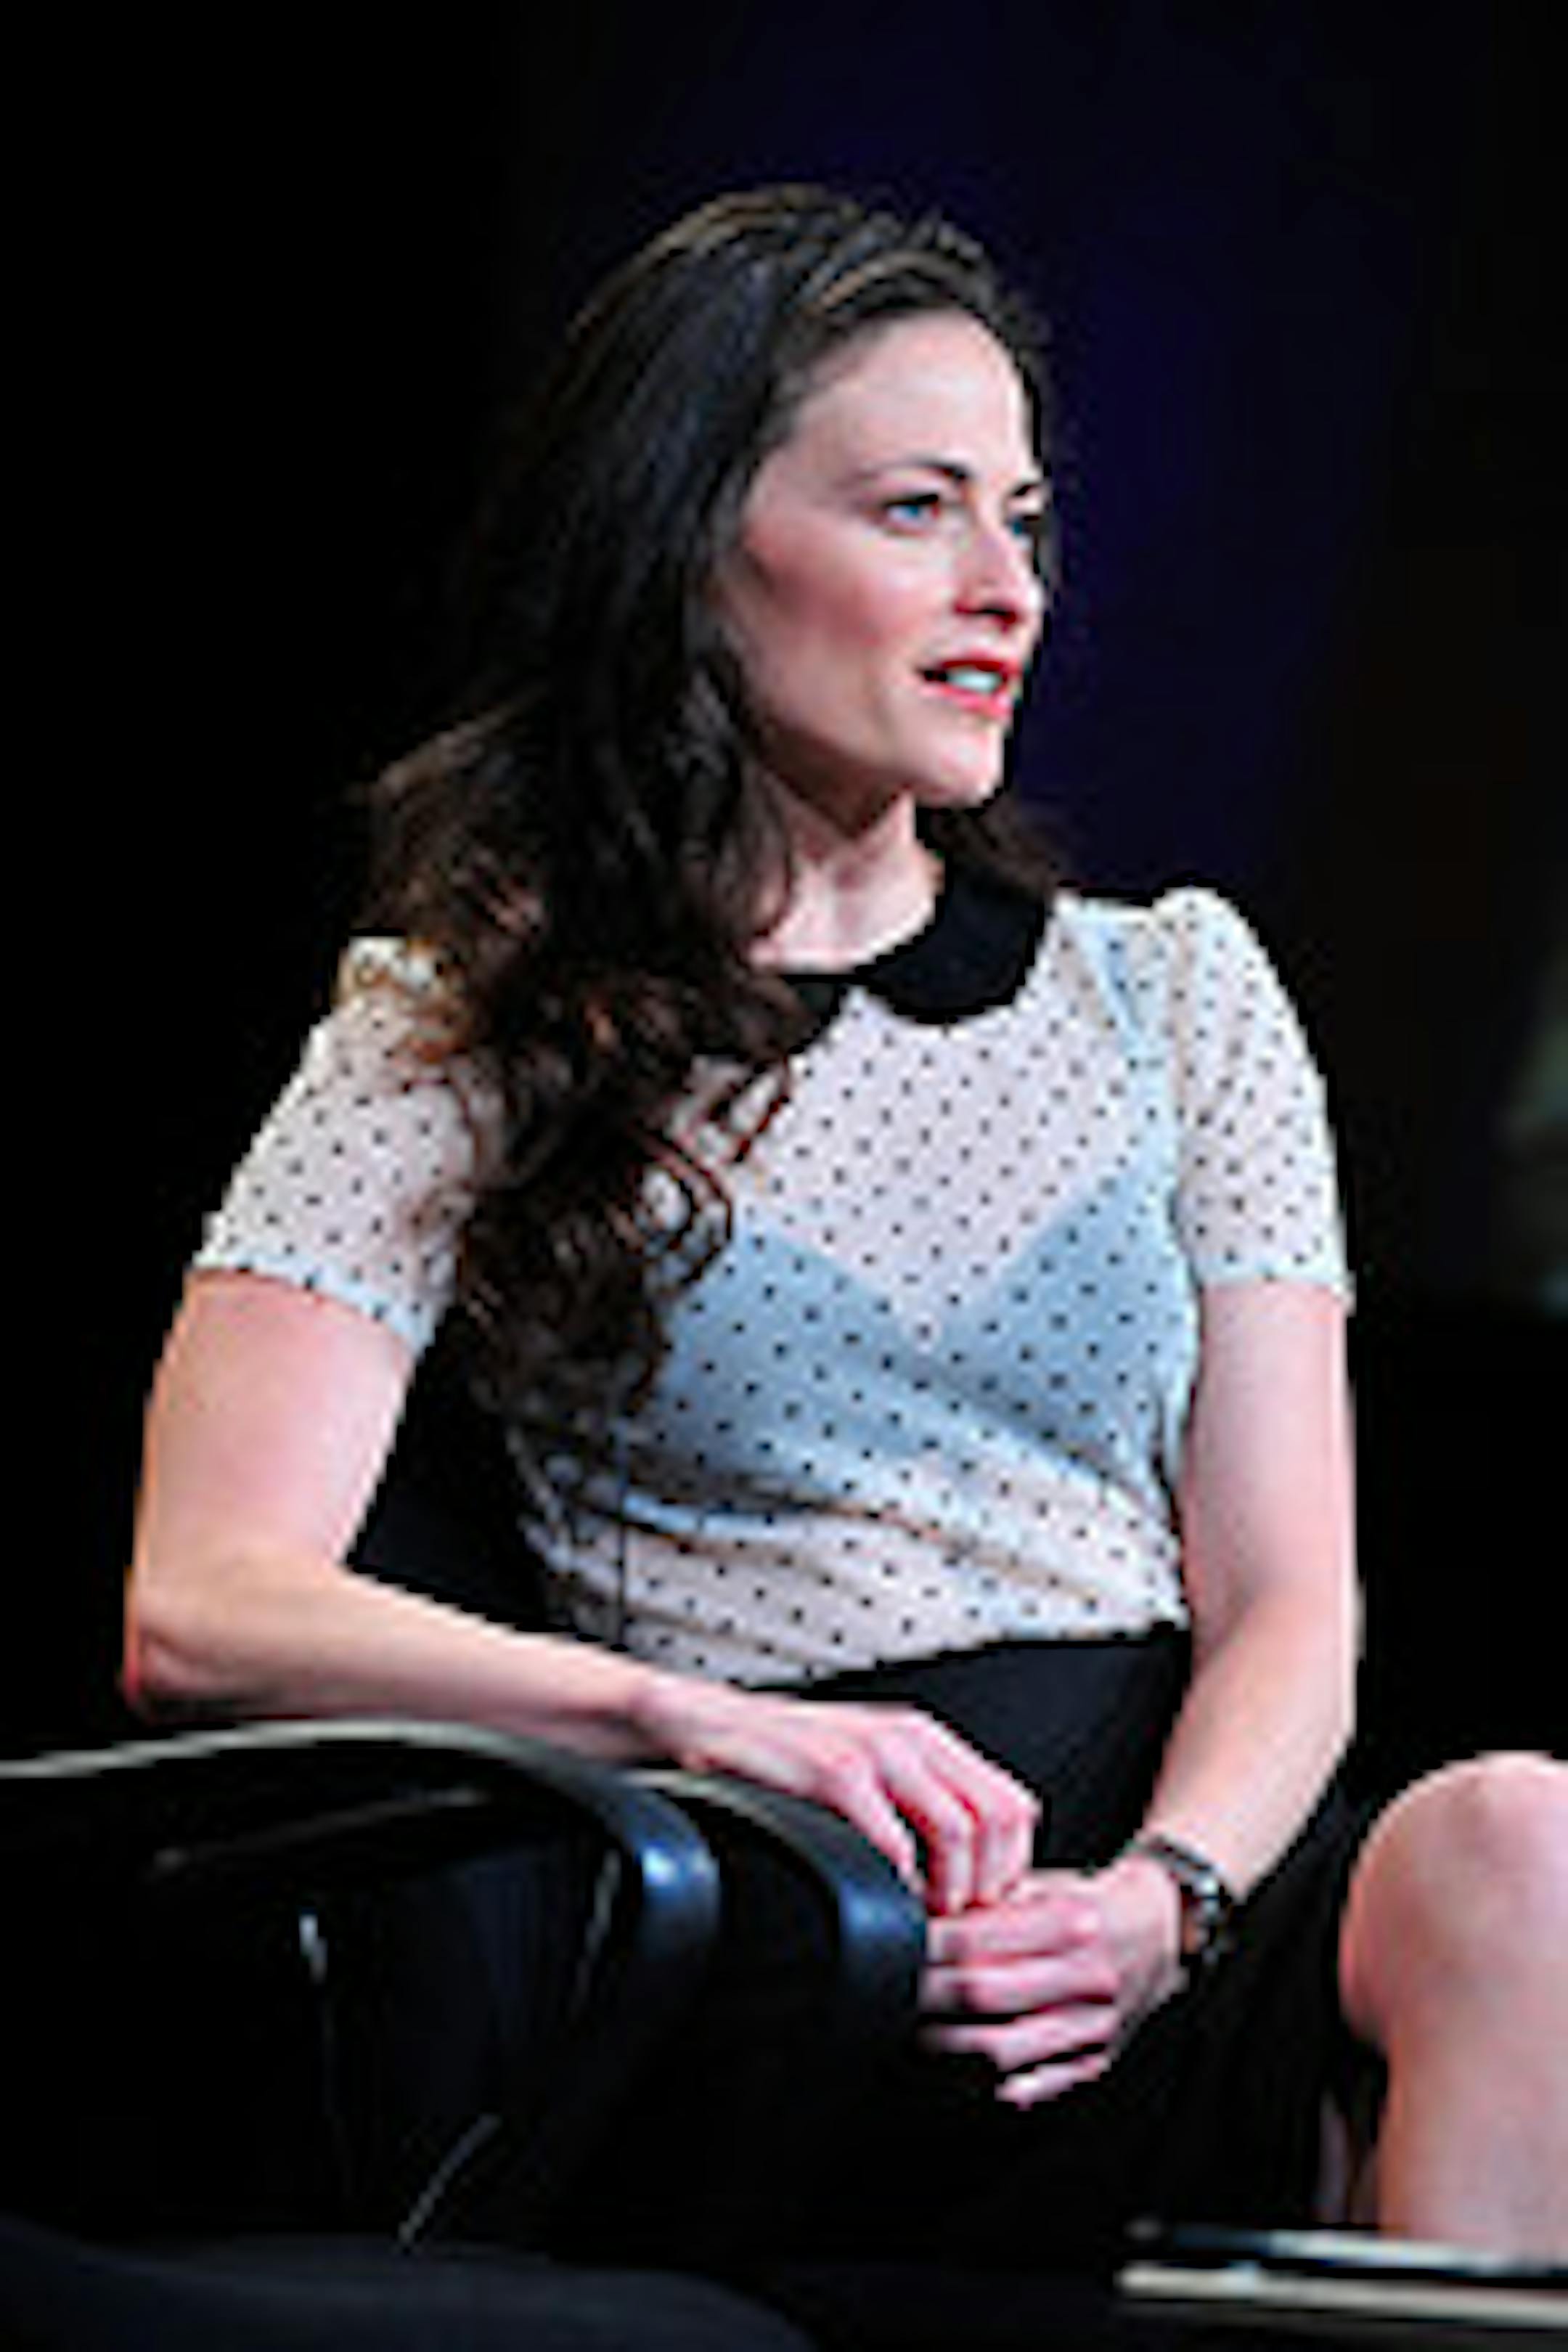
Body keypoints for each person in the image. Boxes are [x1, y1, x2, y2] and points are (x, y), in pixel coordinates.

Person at [126, 184, 1567, 2268]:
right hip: (796, 1920)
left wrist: (1161, 1909)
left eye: (1027, 522)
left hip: (1155, 1918)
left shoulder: (1175, 993)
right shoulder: (467, 1024)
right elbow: (200, 1605)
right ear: (691, 552)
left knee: (1526, 1845)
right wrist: (688, 1722)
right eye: (917, 512)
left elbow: (1289, 1606)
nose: (1008, 592)